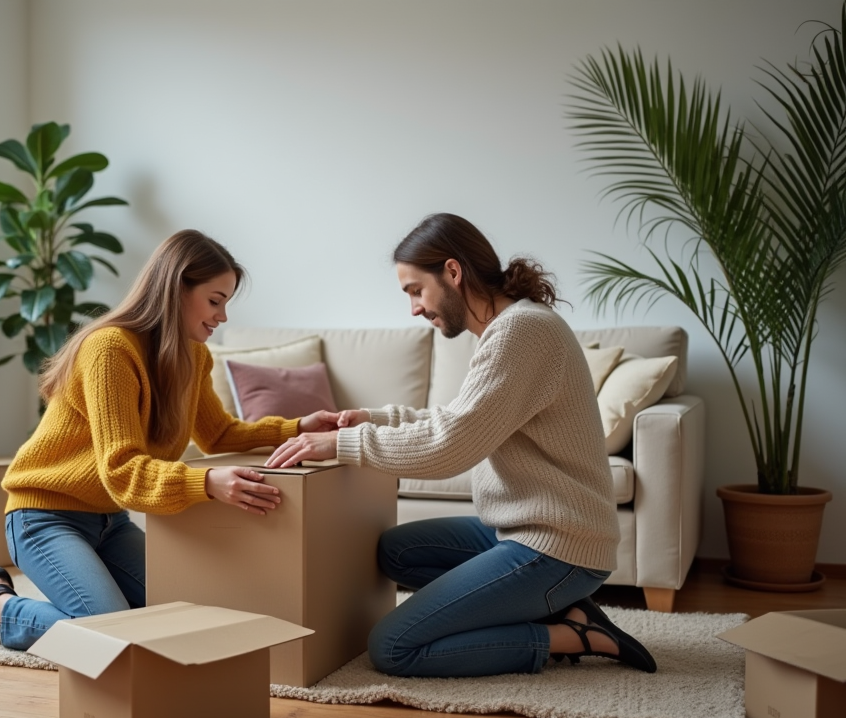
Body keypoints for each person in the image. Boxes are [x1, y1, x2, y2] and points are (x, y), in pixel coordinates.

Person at [266, 213, 657, 677]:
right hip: (518, 528)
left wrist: (344, 444)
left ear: (453, 272)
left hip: (558, 546)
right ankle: (558, 609)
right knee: (396, 551)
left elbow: (451, 446)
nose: (413, 308)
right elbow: (458, 419)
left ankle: (575, 635)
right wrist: (370, 418)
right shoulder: (505, 328)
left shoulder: (521, 331)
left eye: (415, 290)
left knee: (393, 648)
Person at [0, 229, 340, 650]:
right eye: (215, 301)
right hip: (45, 517)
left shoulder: (194, 357)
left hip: (110, 522)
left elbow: (219, 434)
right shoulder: (109, 349)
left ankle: (18, 605)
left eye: (226, 303)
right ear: (176, 289)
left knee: (177, 621)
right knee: (119, 639)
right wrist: (208, 483)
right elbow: (122, 472)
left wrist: (297, 428)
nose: (223, 316)